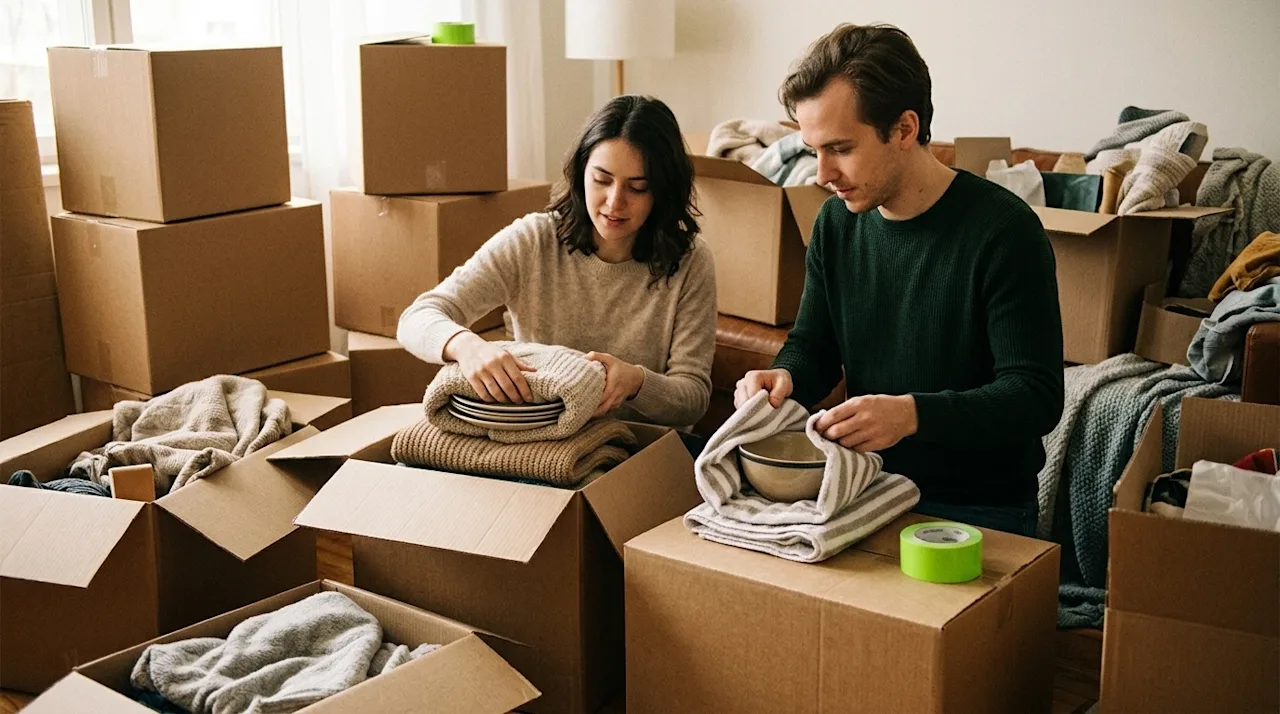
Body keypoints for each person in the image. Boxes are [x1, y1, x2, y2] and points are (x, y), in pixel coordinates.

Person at [734, 24, 1064, 537]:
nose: (822, 173)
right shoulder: (836, 223)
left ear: (905, 129)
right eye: (812, 150)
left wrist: (913, 416)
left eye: (841, 148)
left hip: (979, 511)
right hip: (865, 488)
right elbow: (814, 344)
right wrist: (786, 377)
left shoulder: (1004, 230)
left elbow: (1035, 396)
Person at [398, 94, 716, 435]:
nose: (614, 202)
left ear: (662, 192)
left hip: (637, 446)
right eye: (602, 180)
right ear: (581, 174)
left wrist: (638, 382)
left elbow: (693, 396)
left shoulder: (691, 260)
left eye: (637, 188)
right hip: (539, 440)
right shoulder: (534, 239)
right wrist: (466, 347)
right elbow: (416, 318)